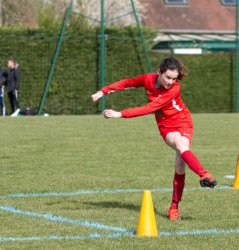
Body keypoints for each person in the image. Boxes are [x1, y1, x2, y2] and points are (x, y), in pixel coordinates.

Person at [91, 57, 217, 221]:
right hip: (166, 125)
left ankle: (184, 196)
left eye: (174, 78)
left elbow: (149, 108)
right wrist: (103, 91)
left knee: (181, 155)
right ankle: (201, 176)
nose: (171, 82)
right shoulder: (147, 79)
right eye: (168, 77)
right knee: (180, 154)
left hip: (183, 122)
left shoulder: (174, 89)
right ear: (159, 72)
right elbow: (126, 83)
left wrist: (120, 114)